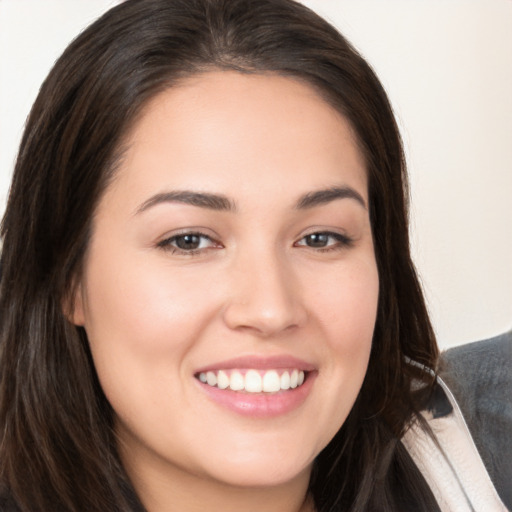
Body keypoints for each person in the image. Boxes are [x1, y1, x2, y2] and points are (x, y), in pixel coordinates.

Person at [0, 1, 508, 511]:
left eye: (320, 238)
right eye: (189, 240)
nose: (270, 309)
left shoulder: (485, 447)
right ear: (68, 277)